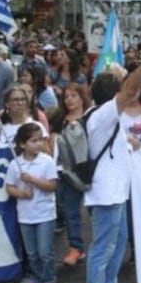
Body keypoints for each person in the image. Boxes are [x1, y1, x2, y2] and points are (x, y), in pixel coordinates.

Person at [84, 34, 141, 283]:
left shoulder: (107, 119)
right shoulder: (101, 116)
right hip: (106, 194)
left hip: (119, 192)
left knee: (118, 243)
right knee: (103, 247)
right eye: (121, 92)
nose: (129, 97)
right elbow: (130, 89)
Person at [4, 123, 60, 283]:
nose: (38, 144)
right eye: (33, 141)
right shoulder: (15, 164)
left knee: (45, 251)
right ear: (22, 145)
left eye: (40, 140)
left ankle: (49, 281)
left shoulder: (47, 161)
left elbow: (52, 186)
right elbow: (9, 187)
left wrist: (32, 180)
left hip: (45, 213)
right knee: (32, 253)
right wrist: (21, 193)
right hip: (25, 215)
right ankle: (37, 279)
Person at [50, 84, 91, 267]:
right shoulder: (59, 119)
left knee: (95, 212)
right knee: (71, 211)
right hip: (66, 171)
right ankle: (76, 247)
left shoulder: (90, 118)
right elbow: (52, 145)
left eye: (74, 95)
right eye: (66, 97)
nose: (70, 100)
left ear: (82, 97)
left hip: (90, 170)